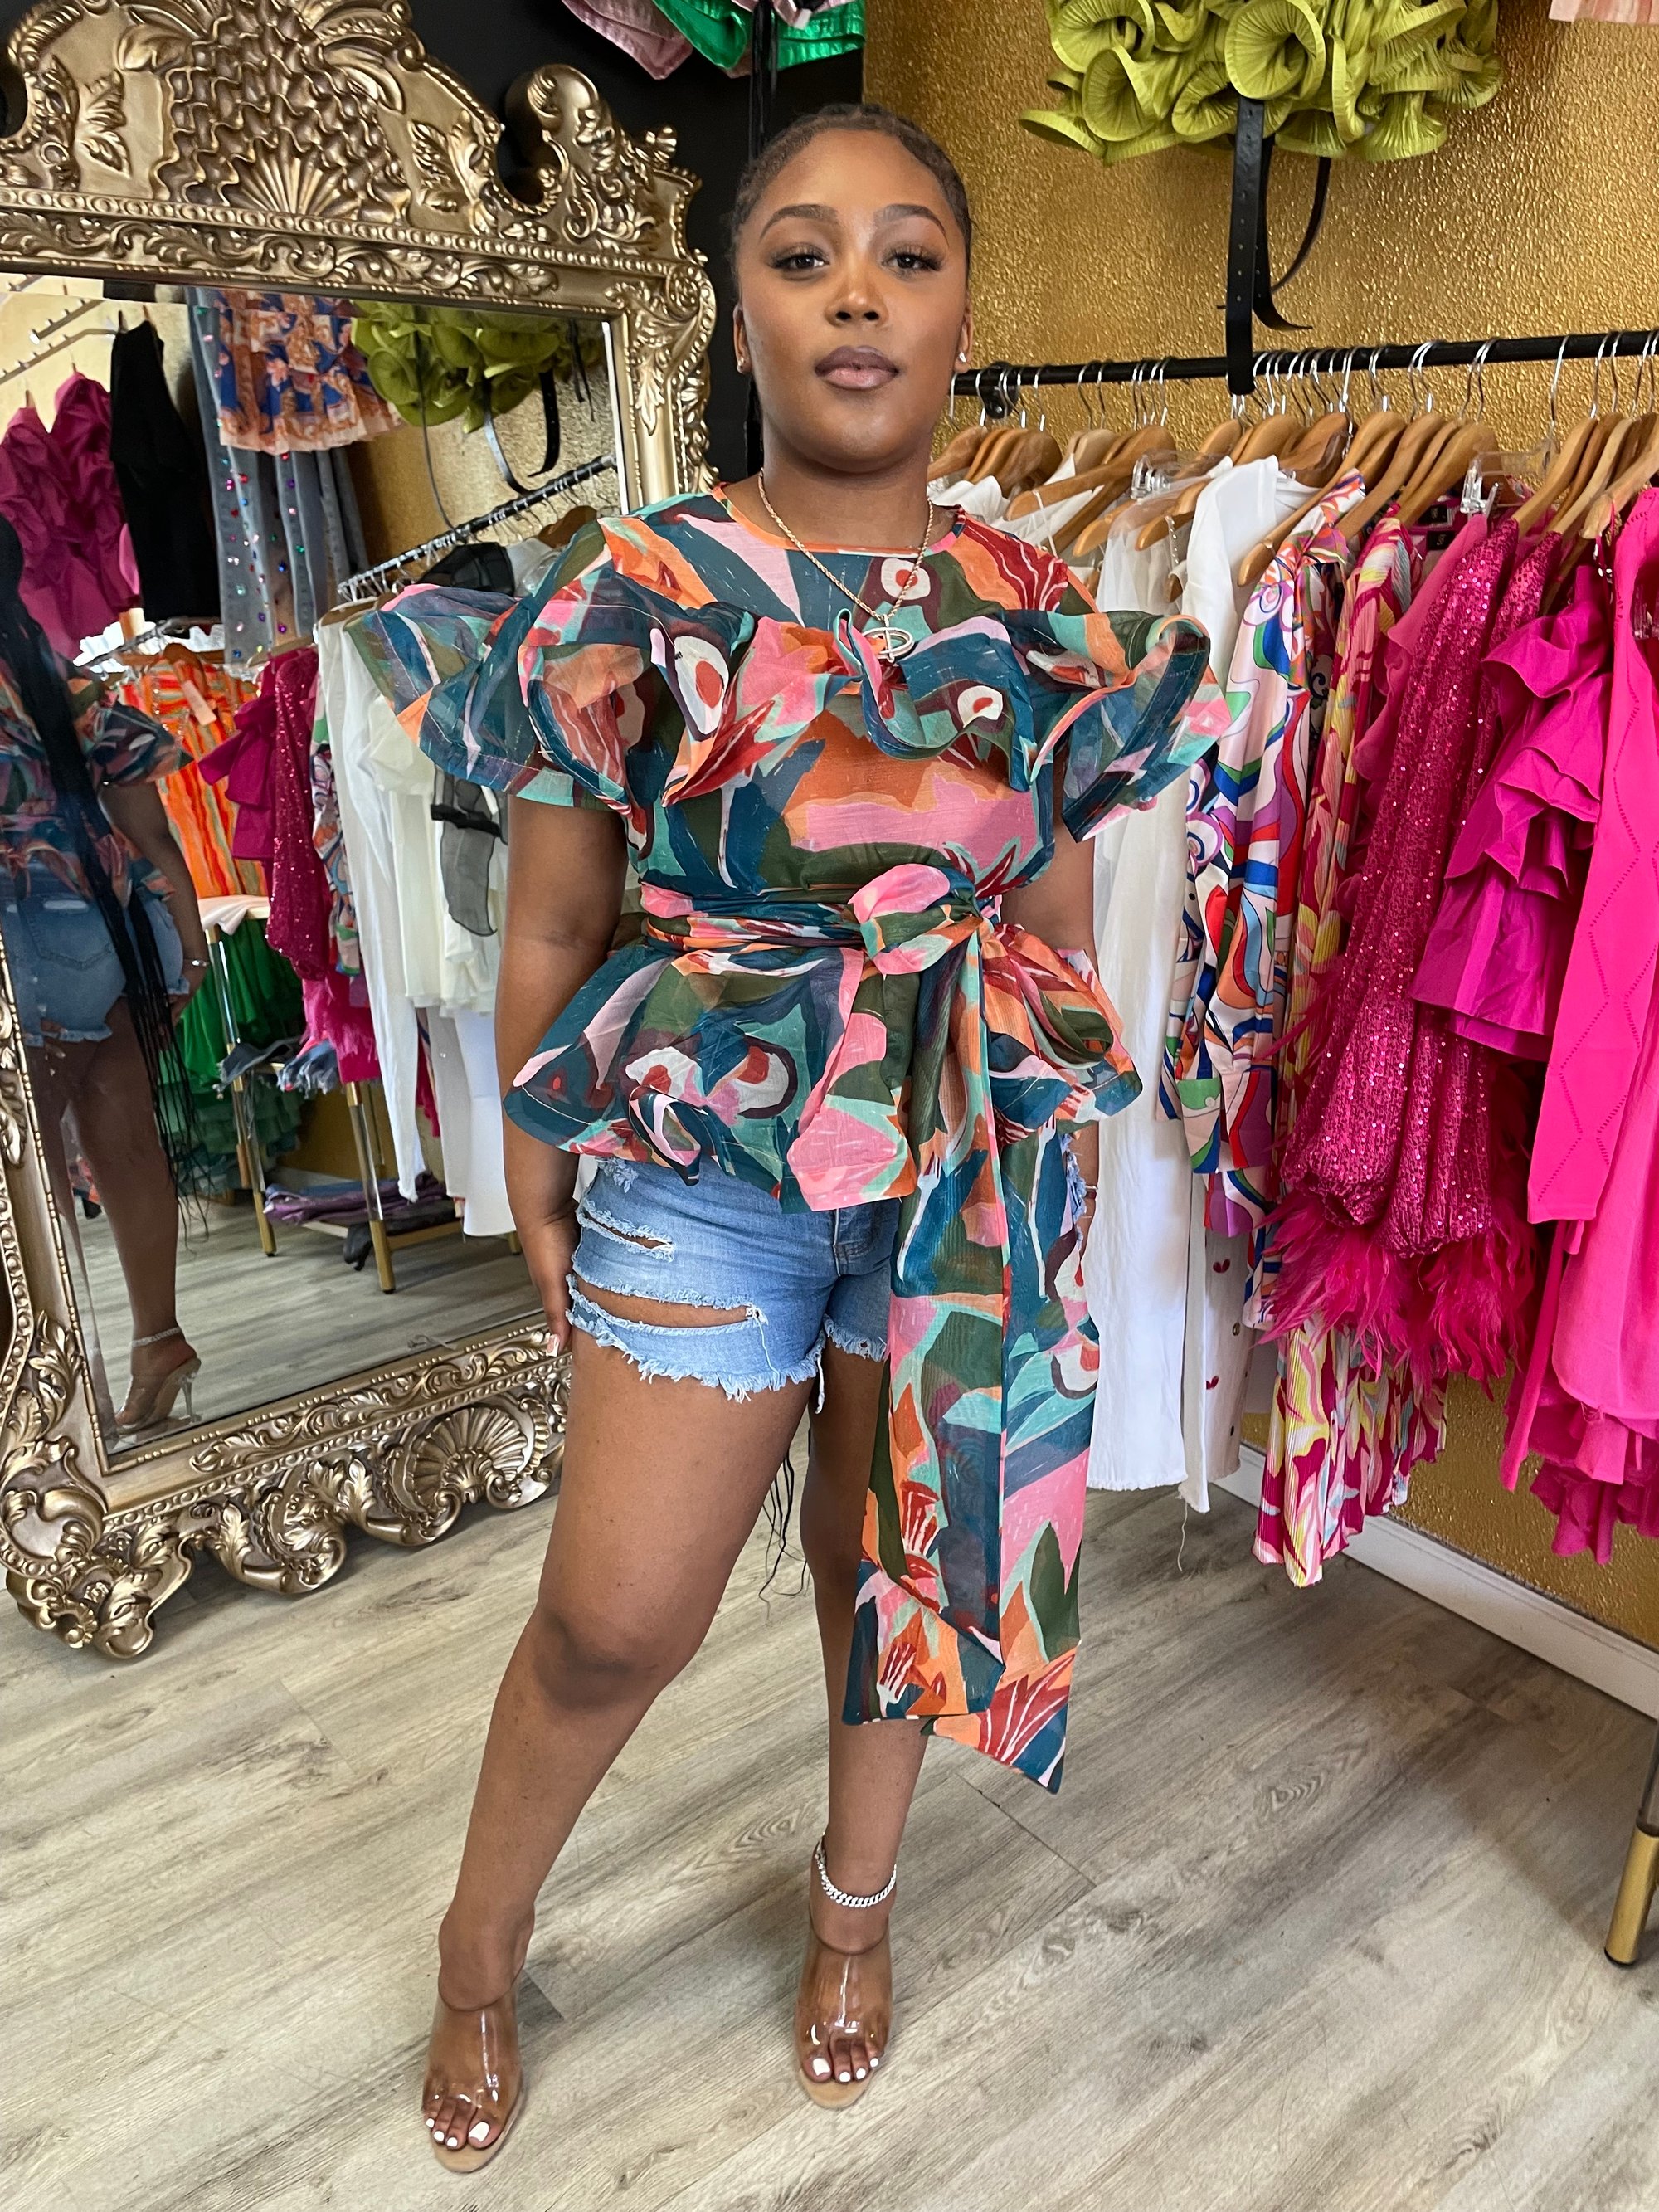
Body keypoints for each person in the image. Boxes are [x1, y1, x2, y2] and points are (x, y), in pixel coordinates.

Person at [362, 105, 1218, 2170]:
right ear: (734, 306)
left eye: (907, 254)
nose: (857, 293)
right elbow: (554, 918)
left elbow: (1044, 920)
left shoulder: (1032, 602)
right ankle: (482, 1937)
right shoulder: (636, 583)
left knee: (890, 1566)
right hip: (706, 1169)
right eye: (804, 253)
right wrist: (535, 1156)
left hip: (958, 1169)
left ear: (958, 310)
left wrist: (1057, 1185)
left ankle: (852, 1909)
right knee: (613, 1617)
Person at [0, 515, 209, 1429]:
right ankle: (157, 1338)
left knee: (21, 1180)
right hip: (111, 933)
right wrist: (189, 950)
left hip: (18, 949)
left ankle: (39, 1391)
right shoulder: (68, 684)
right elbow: (155, 839)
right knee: (123, 1145)